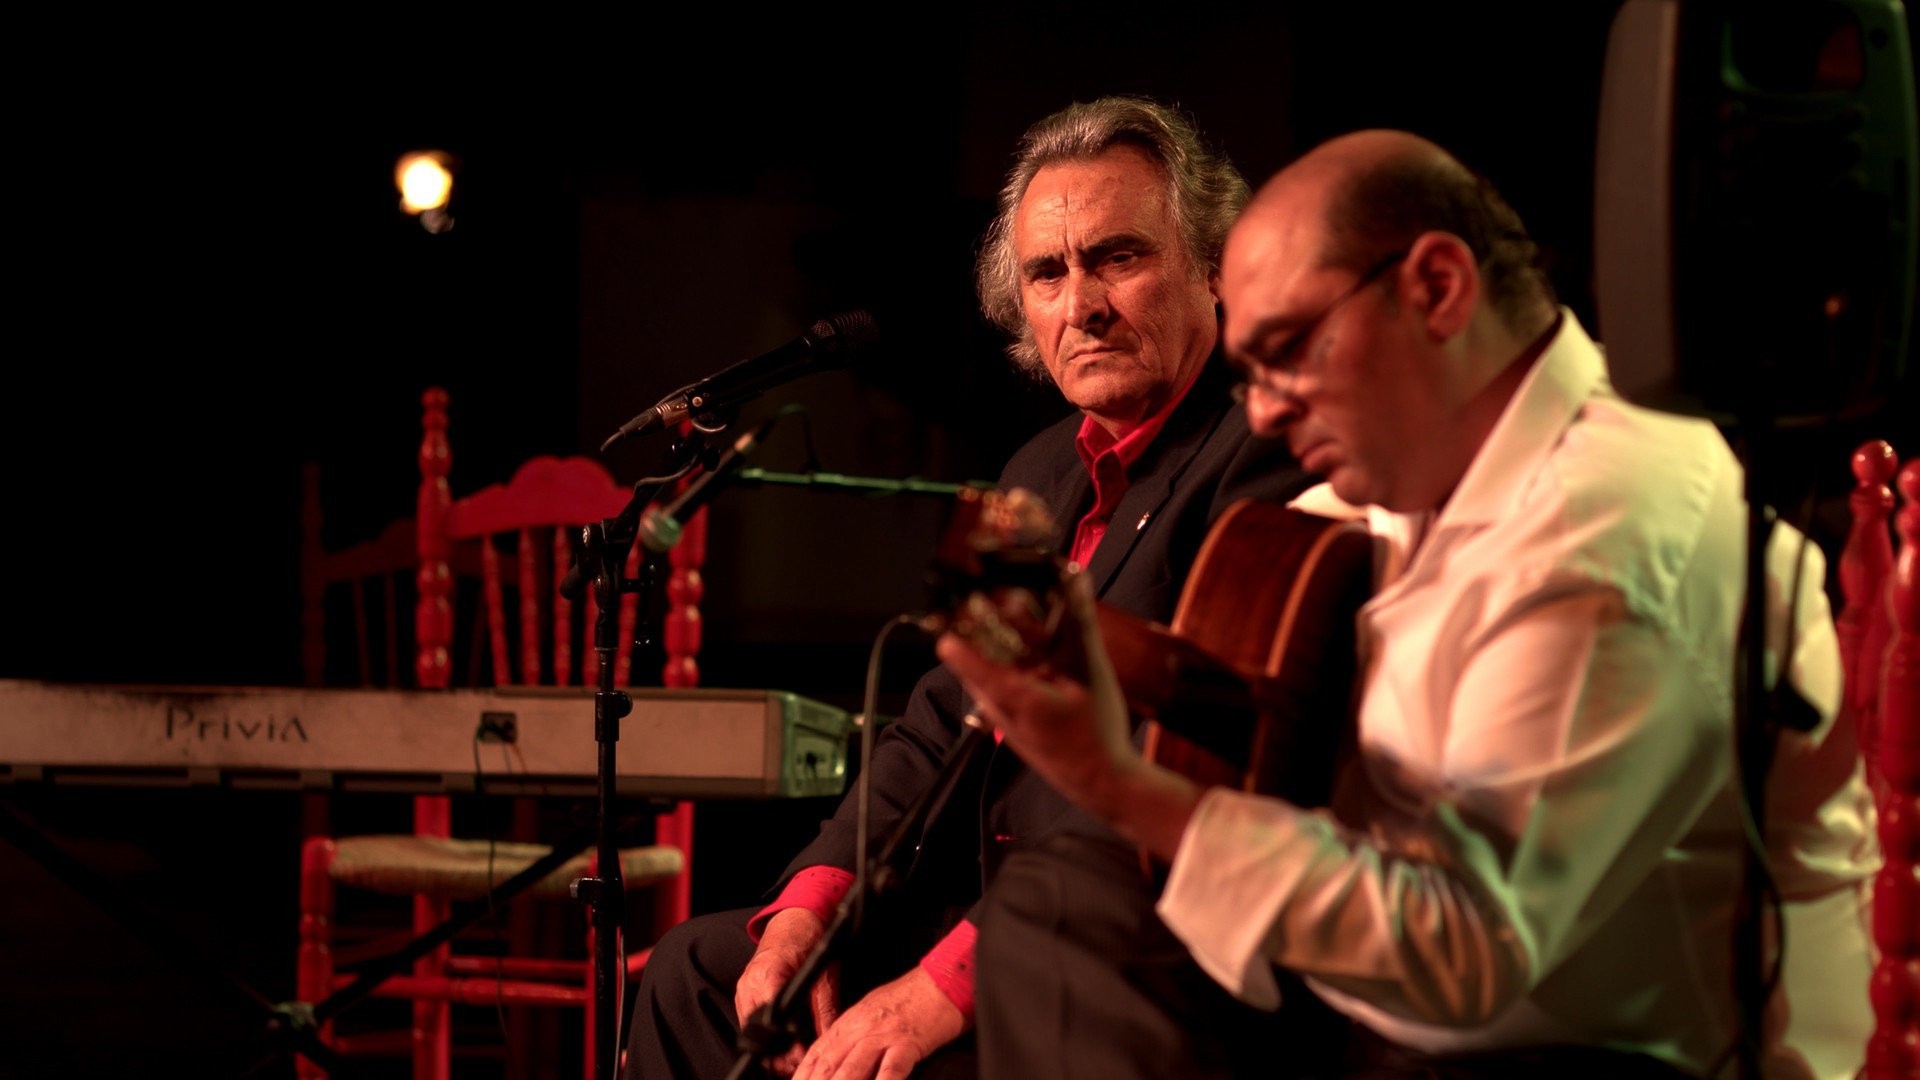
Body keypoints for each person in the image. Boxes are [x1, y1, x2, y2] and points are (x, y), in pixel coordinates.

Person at [940, 129, 1878, 1078]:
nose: (1260, 411)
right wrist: (1086, 647)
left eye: (1289, 352)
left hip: (1584, 1052)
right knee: (1065, 904)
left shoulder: (1610, 536)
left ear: (1436, 289)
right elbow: (1260, 651)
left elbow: (1466, 958)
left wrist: (1116, 782)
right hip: (1386, 999)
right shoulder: (1414, 467)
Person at [624, 95, 1317, 1079]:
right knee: (700, 974)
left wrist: (944, 986)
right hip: (978, 907)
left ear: (1215, 268)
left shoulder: (1264, 458)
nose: (1081, 305)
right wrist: (810, 906)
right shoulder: (1036, 469)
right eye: (1048, 272)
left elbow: (1192, 776)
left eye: (1118, 257)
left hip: (1123, 944)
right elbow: (936, 723)